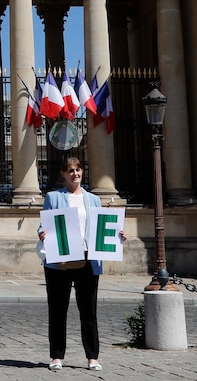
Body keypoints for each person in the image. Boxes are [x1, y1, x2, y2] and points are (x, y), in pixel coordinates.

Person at [37, 156, 127, 372]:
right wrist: (42, 233)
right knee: (58, 310)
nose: (75, 174)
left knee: (88, 311)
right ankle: (57, 356)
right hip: (61, 258)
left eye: (78, 170)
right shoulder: (53, 197)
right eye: (70, 171)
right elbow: (43, 224)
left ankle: (92, 357)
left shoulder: (93, 200)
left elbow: (100, 227)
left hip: (88, 259)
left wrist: (118, 235)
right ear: (63, 174)